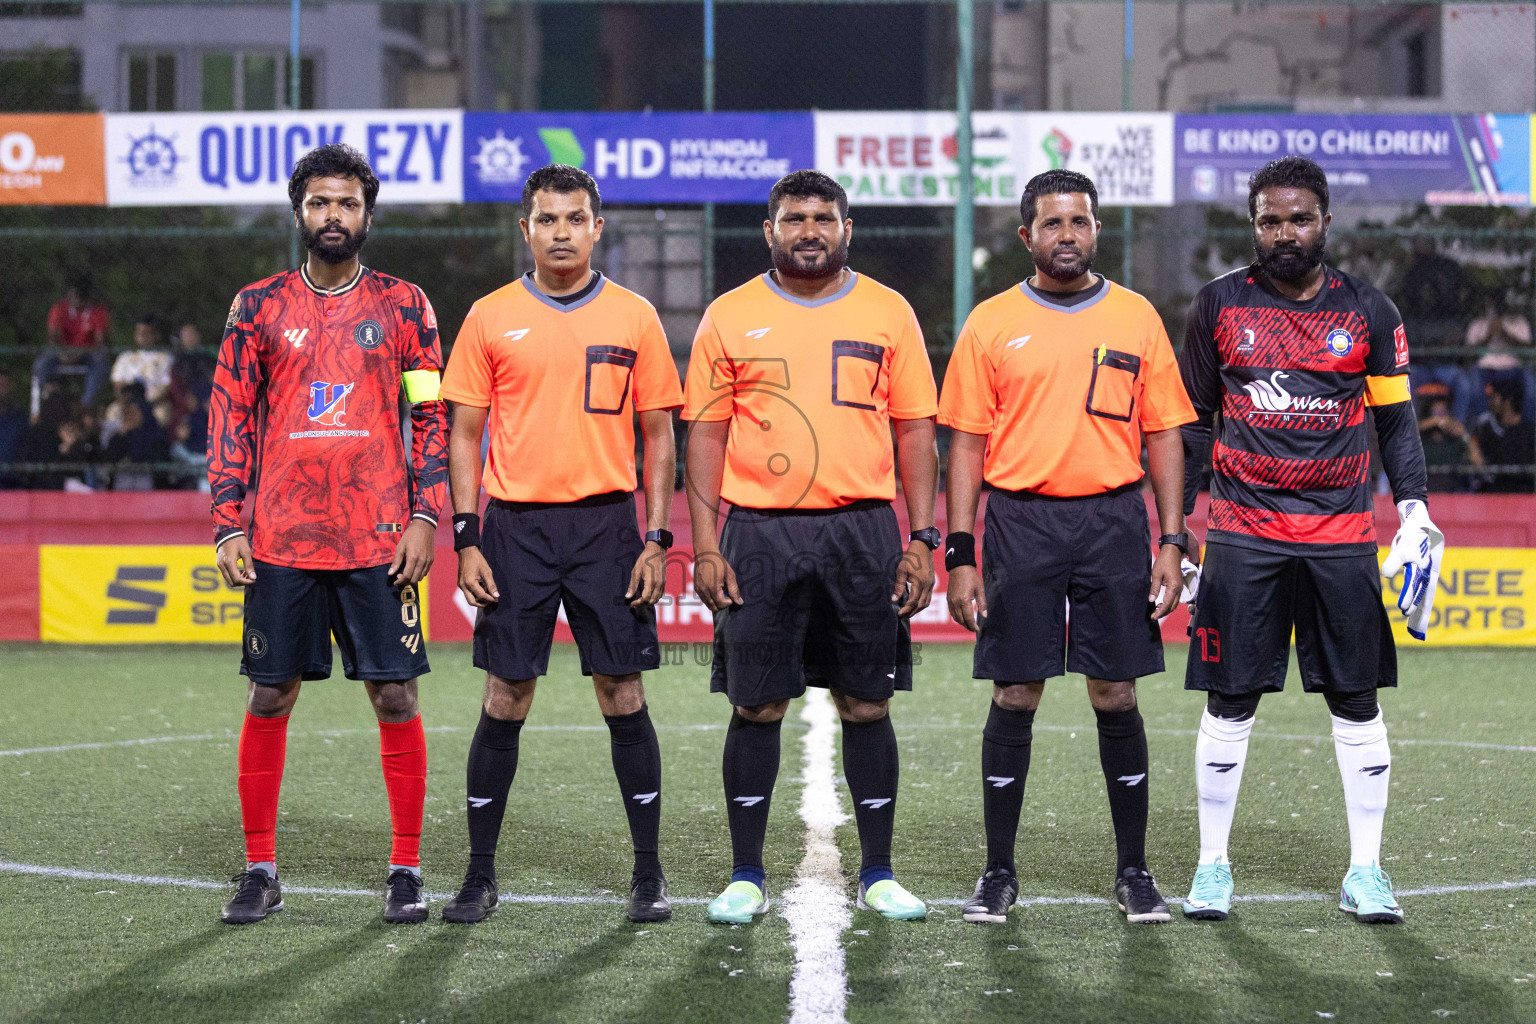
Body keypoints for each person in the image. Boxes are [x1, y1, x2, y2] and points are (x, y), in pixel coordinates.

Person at [1178, 156, 1440, 925]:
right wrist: (1174, 528)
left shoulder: (1371, 311)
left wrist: (1415, 507)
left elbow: (1395, 419)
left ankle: (1367, 871)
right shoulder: (1218, 305)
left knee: (1356, 700)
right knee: (1230, 699)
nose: (1283, 233)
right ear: (1253, 225)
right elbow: (1193, 423)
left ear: (1326, 220)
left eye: (1298, 218)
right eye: (1268, 220)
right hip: (1242, 534)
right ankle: (1211, 866)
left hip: (1341, 537)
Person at [939, 170, 1195, 925]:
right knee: (1016, 692)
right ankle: (997, 873)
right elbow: (965, 445)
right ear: (1027, 237)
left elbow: (1163, 435)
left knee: (1115, 692)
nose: (1067, 236)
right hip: (1021, 524)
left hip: (1116, 524)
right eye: (1052, 224)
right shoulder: (990, 323)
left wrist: (1172, 540)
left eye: (1079, 222)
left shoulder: (1137, 317)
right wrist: (960, 553)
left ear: (1096, 230)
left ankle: (1134, 872)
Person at [683, 170, 940, 924]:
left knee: (867, 700)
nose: (809, 229)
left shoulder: (888, 311)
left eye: (823, 217)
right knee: (756, 702)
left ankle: (880, 872)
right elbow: (704, 433)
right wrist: (704, 543)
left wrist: (922, 538)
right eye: (794, 217)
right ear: (769, 230)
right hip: (759, 530)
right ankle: (745, 874)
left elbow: (916, 429)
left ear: (846, 228)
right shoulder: (729, 316)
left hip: (863, 528)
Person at [208, 143, 450, 926]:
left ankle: (407, 869)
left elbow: (430, 414)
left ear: (368, 214)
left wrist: (424, 514)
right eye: (319, 203)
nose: (333, 216)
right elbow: (229, 416)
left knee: (394, 694)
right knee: (270, 694)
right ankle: (259, 867)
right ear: (300, 212)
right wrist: (226, 523)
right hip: (281, 539)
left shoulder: (408, 307)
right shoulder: (256, 308)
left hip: (381, 540)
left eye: (346, 203)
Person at [436, 164, 682, 926]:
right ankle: (479, 874)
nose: (562, 232)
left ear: (597, 227)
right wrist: (467, 538)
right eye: (547, 220)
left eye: (575, 219)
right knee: (506, 694)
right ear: (526, 229)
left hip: (609, 527)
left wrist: (656, 537)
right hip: (515, 529)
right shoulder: (489, 316)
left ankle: (648, 872)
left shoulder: (636, 316)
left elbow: (659, 436)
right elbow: (465, 435)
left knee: (624, 692)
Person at [33, 275, 110, 407]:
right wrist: (62, 353)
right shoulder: (59, 309)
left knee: (100, 360)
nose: (78, 299)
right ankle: (51, 398)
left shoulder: (98, 311)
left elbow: (100, 342)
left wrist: (78, 353)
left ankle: (87, 405)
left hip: (87, 352)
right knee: (41, 364)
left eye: (81, 295)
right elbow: (53, 338)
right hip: (62, 351)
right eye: (75, 294)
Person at [1474, 377, 1535, 492]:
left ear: (1507, 401)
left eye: (1494, 397)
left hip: (1521, 498)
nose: (1490, 402)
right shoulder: (1488, 429)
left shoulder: (1529, 433)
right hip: (1491, 497)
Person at [1416, 384, 1479, 492]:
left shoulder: (1455, 440)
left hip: (1453, 496)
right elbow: (1408, 433)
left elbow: (1478, 463)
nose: (1441, 417)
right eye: (1437, 413)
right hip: (1426, 493)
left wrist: (1464, 434)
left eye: (1443, 413)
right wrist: (1434, 422)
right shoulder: (1421, 440)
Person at [110, 315, 175, 408]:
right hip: (128, 402)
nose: (142, 336)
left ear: (156, 335)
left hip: (155, 403)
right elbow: (118, 383)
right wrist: (126, 400)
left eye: (146, 333)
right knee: (113, 412)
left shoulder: (165, 358)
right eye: (139, 332)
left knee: (161, 414)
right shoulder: (125, 357)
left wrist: (147, 403)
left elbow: (166, 386)